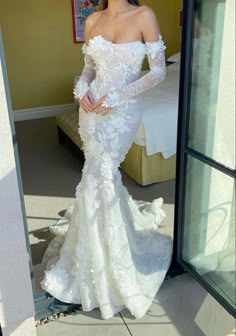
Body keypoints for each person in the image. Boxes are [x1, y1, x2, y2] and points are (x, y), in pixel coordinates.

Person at [40, 0, 173, 320]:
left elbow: (158, 71)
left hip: (122, 110)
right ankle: (91, 251)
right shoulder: (93, 20)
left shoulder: (144, 15)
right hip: (91, 112)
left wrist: (116, 97)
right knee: (93, 175)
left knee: (102, 173)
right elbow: (89, 67)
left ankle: (112, 263)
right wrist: (81, 87)